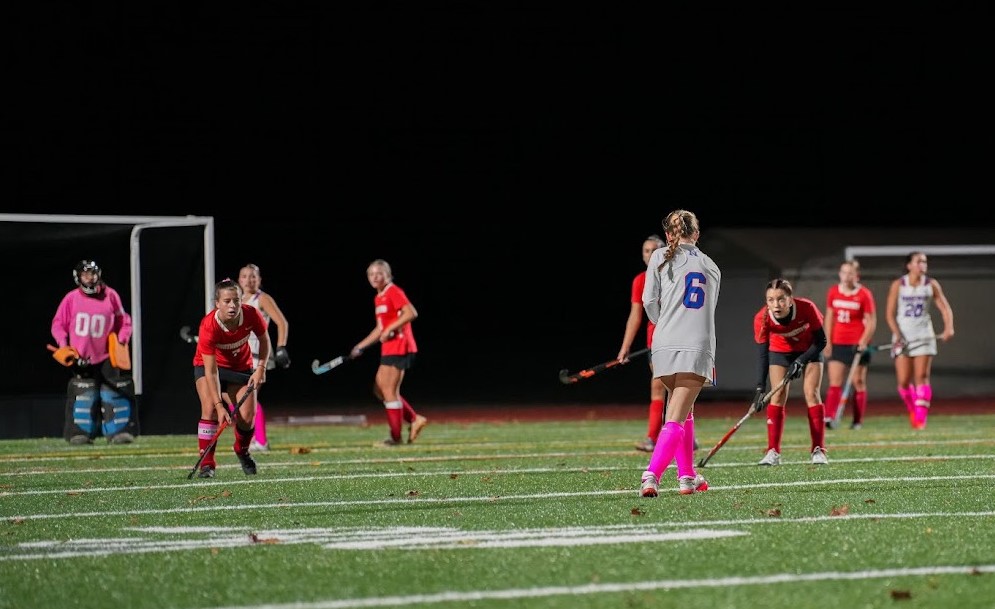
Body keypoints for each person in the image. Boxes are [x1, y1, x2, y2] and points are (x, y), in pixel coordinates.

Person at [638, 209, 720, 498]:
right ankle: (652, 475)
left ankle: (687, 476)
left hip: (663, 343)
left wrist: (664, 324)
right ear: (696, 234)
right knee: (675, 416)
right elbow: (708, 310)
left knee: (682, 411)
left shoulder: (659, 256)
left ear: (670, 234)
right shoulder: (711, 265)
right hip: (695, 344)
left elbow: (649, 301)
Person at [50, 259, 139, 445]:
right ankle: (79, 433)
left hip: (106, 355)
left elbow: (124, 321)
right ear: (78, 277)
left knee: (114, 392)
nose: (90, 278)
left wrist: (122, 340)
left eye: (92, 273)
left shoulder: (110, 295)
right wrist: (64, 345)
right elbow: (58, 324)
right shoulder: (71, 298)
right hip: (81, 356)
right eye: (85, 274)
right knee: (83, 394)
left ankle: (118, 432)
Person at [192, 278, 269, 478]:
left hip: (240, 367)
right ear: (217, 303)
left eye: (236, 300)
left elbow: (264, 339)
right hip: (209, 367)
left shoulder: (251, 314)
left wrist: (261, 367)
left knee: (247, 416)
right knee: (209, 408)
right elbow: (211, 371)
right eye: (227, 301)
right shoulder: (209, 325)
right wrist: (220, 406)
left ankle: (242, 451)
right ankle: (207, 464)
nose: (232, 305)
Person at [351, 259, 428, 446]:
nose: (375, 277)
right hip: (389, 348)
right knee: (380, 390)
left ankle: (395, 438)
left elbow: (411, 312)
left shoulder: (393, 291)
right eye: (371, 274)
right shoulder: (379, 297)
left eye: (379, 273)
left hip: (400, 346)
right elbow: (380, 329)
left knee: (388, 391)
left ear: (388, 275)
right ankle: (414, 419)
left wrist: (390, 328)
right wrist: (360, 346)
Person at [753, 278, 829, 466]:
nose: (776, 305)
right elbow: (763, 354)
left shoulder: (807, 308)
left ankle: (818, 449)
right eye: (770, 300)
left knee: (811, 393)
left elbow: (821, 342)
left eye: (781, 299)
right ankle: (773, 451)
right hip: (781, 352)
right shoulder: (761, 318)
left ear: (790, 299)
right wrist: (760, 388)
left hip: (810, 350)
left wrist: (801, 361)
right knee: (776, 396)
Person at [885, 251, 955, 430]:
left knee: (922, 377)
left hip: (924, 334)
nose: (922, 265)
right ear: (909, 265)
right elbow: (889, 314)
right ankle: (914, 410)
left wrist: (949, 328)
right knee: (903, 382)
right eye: (918, 262)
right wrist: (897, 334)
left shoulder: (931, 284)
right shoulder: (898, 284)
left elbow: (945, 308)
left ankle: (920, 420)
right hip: (903, 336)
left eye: (924, 262)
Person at [238, 263, 291, 452]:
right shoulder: (236, 300)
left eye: (253, 276)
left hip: (257, 356)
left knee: (248, 397)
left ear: (259, 279)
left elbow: (282, 322)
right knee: (238, 399)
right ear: (239, 279)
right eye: (244, 276)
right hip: (240, 357)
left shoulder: (262, 299)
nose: (249, 280)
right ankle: (254, 439)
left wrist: (281, 347)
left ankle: (260, 441)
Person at [822, 259, 877, 430]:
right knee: (835, 381)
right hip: (838, 343)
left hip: (857, 345)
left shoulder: (864, 294)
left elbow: (871, 321)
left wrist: (863, 341)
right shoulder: (833, 292)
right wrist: (827, 341)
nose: (846, 276)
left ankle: (857, 421)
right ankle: (829, 417)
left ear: (857, 275)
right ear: (840, 274)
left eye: (850, 273)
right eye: (844, 272)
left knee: (858, 381)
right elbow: (829, 318)